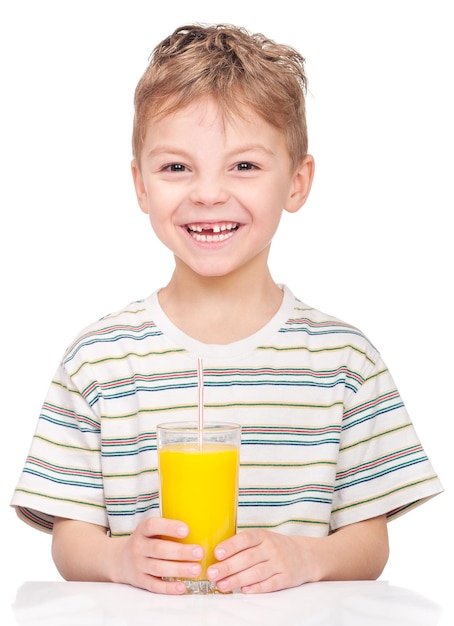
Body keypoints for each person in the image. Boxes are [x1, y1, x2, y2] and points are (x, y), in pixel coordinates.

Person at [11, 23, 442, 595]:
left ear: (297, 182)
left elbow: (370, 541)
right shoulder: (100, 360)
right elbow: (69, 536)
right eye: (176, 167)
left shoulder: (344, 361)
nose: (209, 193)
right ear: (140, 185)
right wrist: (119, 561)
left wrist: (305, 558)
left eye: (243, 166)